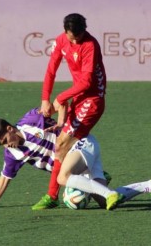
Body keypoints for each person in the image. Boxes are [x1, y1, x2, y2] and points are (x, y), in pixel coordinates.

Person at [0, 108, 151, 209]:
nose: (7, 145)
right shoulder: (12, 154)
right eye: (3, 145)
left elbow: (59, 104)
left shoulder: (31, 119)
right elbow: (5, 177)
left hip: (82, 144)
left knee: (62, 178)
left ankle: (104, 191)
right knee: (105, 203)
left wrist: (59, 120)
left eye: (6, 140)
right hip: (79, 163)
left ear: (10, 129)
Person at [34, 13, 107, 210]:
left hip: (92, 100)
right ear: (65, 31)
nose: (74, 41)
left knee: (61, 145)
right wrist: (45, 99)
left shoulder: (90, 45)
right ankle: (96, 176)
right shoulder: (61, 41)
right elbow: (51, 70)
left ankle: (52, 195)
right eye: (71, 37)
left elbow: (87, 82)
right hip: (79, 98)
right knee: (61, 146)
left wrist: (60, 98)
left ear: (84, 30)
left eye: (78, 37)